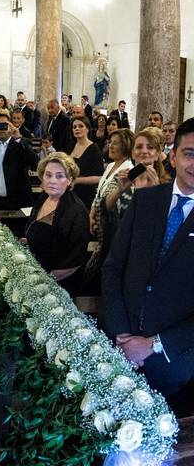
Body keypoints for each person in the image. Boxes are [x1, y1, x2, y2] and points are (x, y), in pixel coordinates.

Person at [103, 118, 194, 413]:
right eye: (190, 153)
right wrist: (121, 334)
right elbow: (114, 266)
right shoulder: (146, 200)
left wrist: (152, 344)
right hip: (120, 347)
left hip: (175, 361)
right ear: (173, 155)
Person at [20, 152, 90, 295]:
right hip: (34, 271)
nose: (52, 180)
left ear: (69, 180)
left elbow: (75, 259)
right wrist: (28, 239)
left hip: (57, 286)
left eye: (59, 176)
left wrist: (44, 281)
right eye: (48, 175)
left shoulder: (76, 211)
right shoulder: (44, 197)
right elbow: (36, 227)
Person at [82, 128, 134, 296]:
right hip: (98, 221)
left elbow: (112, 204)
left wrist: (97, 217)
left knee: (97, 267)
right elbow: (99, 193)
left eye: (116, 143)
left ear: (125, 145)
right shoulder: (111, 165)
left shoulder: (127, 170)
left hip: (110, 227)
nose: (111, 146)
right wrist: (91, 214)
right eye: (110, 142)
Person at [105, 127, 172, 222]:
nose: (144, 151)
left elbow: (163, 218)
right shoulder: (121, 176)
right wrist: (119, 190)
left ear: (157, 154)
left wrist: (156, 192)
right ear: (132, 153)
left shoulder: (165, 184)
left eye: (150, 147)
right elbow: (106, 207)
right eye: (139, 147)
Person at [69, 116, 105, 208]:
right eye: (74, 127)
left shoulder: (94, 149)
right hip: (70, 194)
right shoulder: (71, 145)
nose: (77, 129)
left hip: (86, 196)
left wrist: (77, 180)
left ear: (87, 129)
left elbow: (100, 177)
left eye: (81, 126)